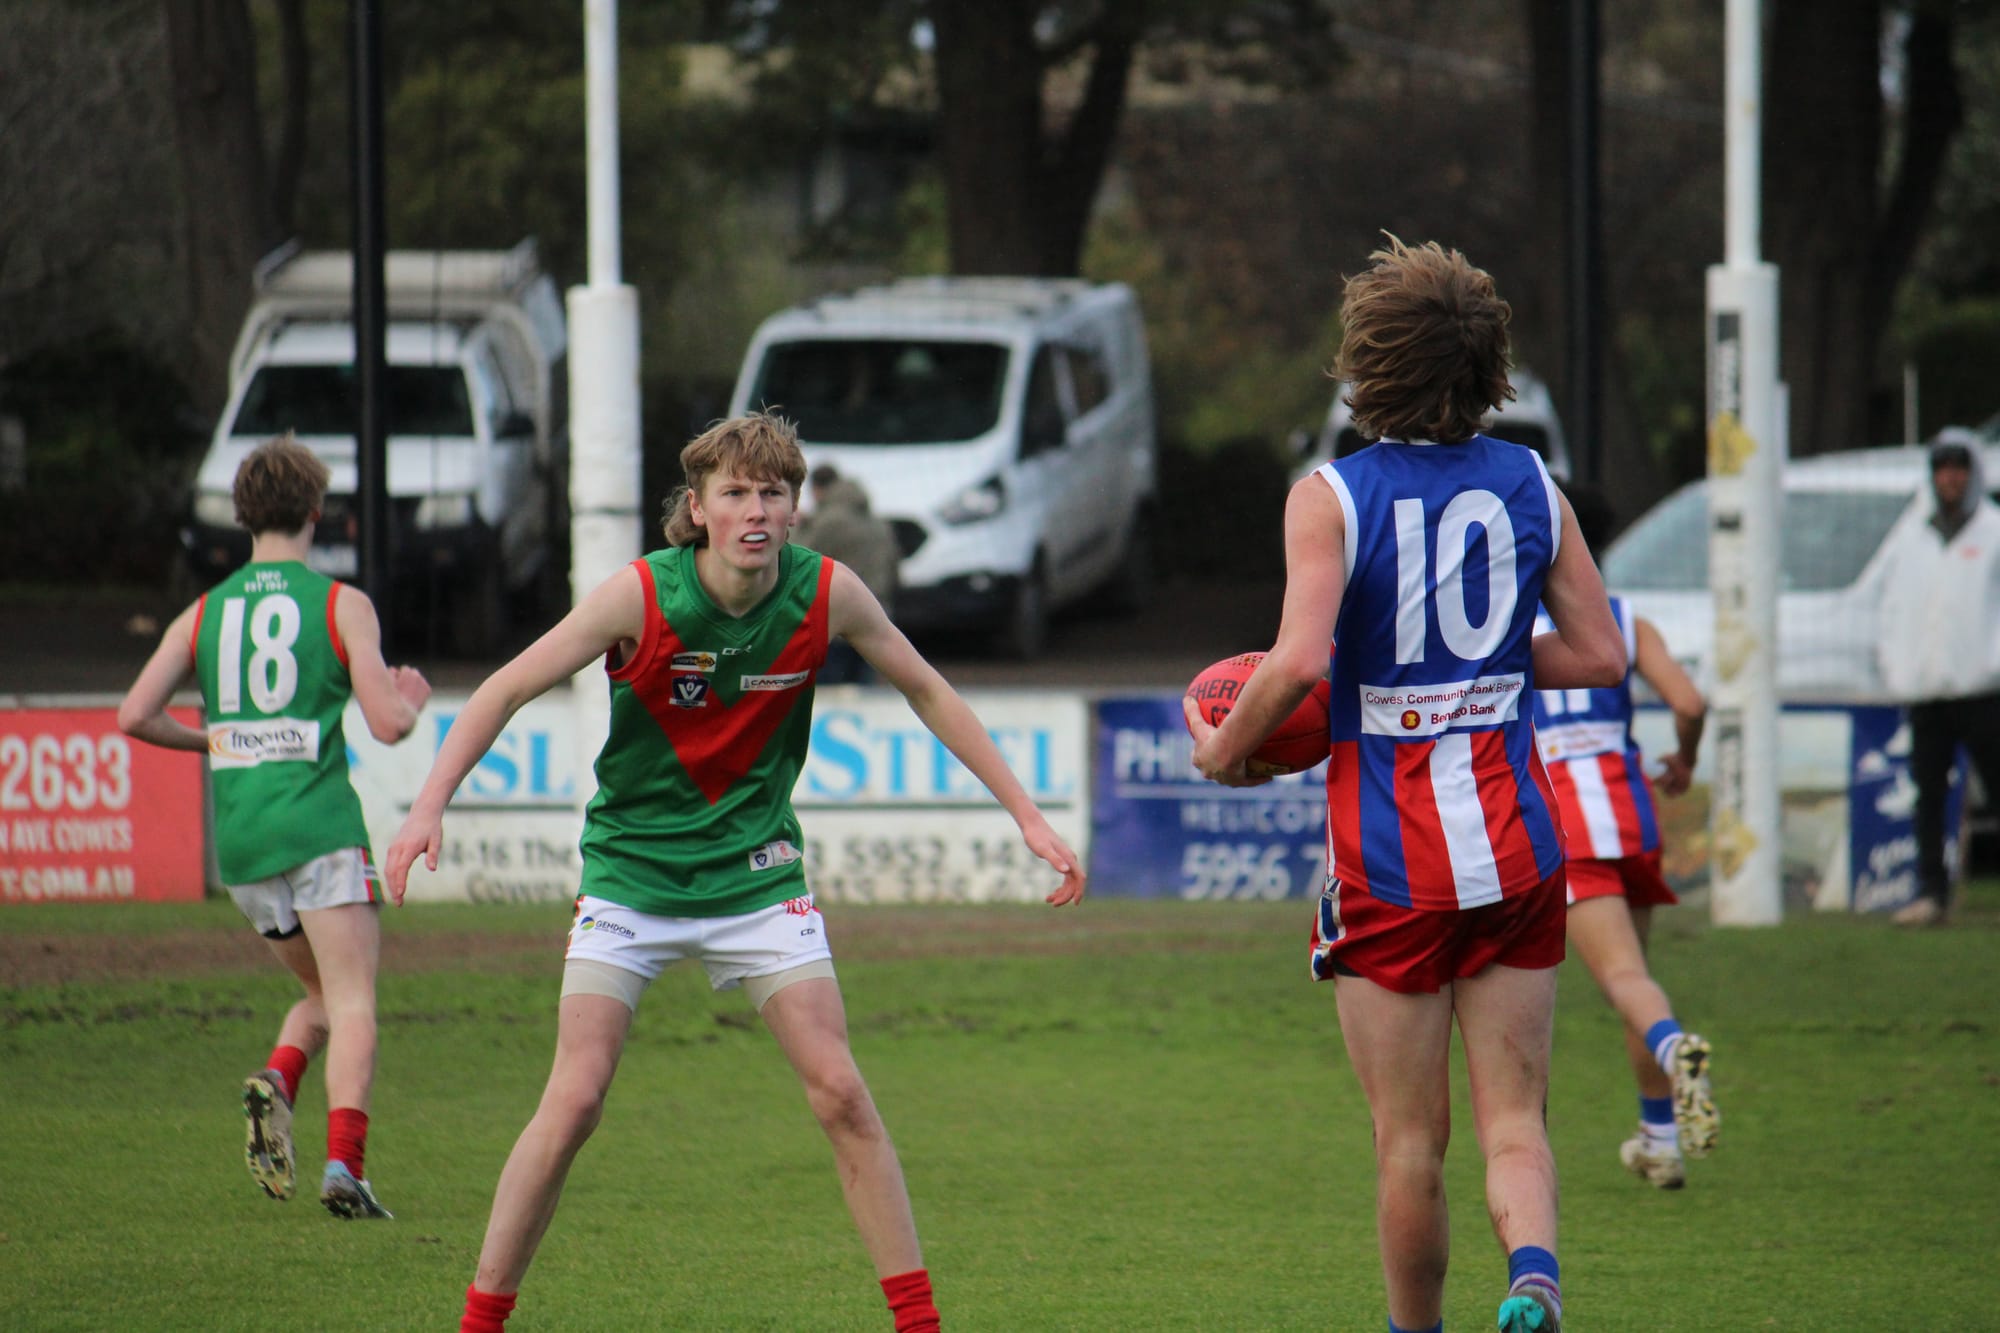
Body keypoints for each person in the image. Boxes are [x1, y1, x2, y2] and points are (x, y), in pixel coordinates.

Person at [383, 413, 1085, 1333]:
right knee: (576, 1096)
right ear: (699, 508)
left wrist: (1026, 813)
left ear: (796, 510)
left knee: (841, 1092)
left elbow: (926, 688)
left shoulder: (827, 592)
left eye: (773, 493)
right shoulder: (641, 596)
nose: (756, 510)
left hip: (758, 879)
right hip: (632, 877)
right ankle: (480, 1321)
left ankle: (920, 1325)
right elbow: (507, 686)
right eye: (736, 493)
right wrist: (428, 803)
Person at [1184, 236, 1626, 1333]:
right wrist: (1482, 673)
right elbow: (1601, 654)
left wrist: (1225, 751)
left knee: (1409, 1142)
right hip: (1519, 852)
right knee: (1515, 1122)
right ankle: (1533, 1274)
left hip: (1392, 870)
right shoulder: (1533, 483)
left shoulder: (1328, 496)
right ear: (1486, 365)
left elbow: (1297, 663)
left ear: (1368, 360)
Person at [116, 432, 431, 1220]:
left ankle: (279, 1078)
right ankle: (346, 1168)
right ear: (316, 511)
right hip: (319, 828)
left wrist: (216, 741)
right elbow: (388, 724)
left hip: (246, 842)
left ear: (241, 514)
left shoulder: (203, 613)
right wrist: (410, 699)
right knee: (353, 1000)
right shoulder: (340, 604)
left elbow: (135, 714)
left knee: (319, 993)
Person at [1529, 484, 1717, 1190]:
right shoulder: (1627, 619)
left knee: (1624, 981)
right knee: (1635, 977)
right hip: (1631, 812)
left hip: (1567, 821)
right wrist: (1686, 759)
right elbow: (1690, 702)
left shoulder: (1508, 620)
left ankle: (1676, 1048)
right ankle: (1659, 1140)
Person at [1876, 432, 2000, 926]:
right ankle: (1931, 892)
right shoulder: (1912, 534)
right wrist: (1897, 666)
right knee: (1928, 793)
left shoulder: (1992, 530)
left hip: (1983, 690)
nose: (1950, 479)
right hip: (1926, 691)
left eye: (1959, 469)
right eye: (1942, 469)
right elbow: (1891, 605)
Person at [796, 463, 901, 684]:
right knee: (865, 692)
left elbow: (798, 560)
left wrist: (798, 527)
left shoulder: (827, 522)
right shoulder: (877, 522)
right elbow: (894, 568)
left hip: (835, 622)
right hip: (876, 617)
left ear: (817, 489)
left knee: (830, 692)